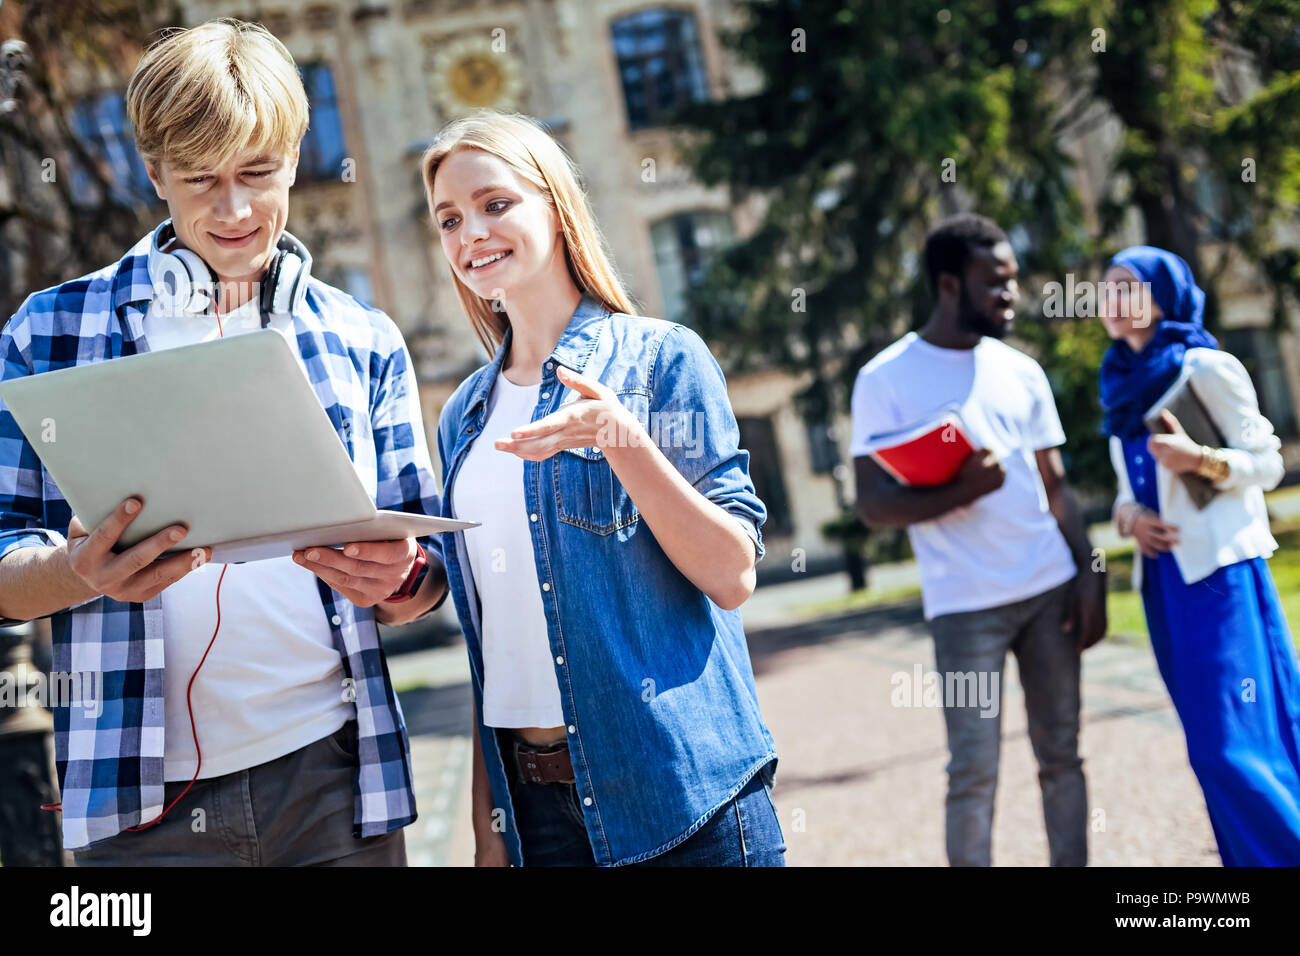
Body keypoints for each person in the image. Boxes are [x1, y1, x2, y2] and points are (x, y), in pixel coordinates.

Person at [0, 19, 448, 865]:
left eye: (259, 173)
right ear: (153, 171)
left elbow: (426, 576)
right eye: (201, 179)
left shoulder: (364, 338)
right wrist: (72, 573)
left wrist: (401, 580)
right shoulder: (48, 331)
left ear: (294, 156)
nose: (235, 210)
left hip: (337, 782)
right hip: (139, 806)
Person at [421, 111, 783, 867]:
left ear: (554, 204)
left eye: (495, 204)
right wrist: (492, 833)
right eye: (449, 218)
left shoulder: (661, 360)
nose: (470, 234)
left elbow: (733, 573)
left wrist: (622, 440)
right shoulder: (462, 415)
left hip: (683, 797)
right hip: (538, 819)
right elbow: (498, 641)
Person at [852, 212, 1106, 867]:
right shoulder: (885, 378)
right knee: (973, 770)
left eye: (1013, 281)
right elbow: (873, 505)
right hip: (964, 608)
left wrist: (1089, 573)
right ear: (949, 285)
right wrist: (961, 492)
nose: (1010, 295)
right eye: (995, 282)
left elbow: (1056, 485)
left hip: (1049, 590)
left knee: (1062, 756)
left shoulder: (1022, 371)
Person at [1098, 245, 1300, 865]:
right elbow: (1127, 491)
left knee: (1229, 745)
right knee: (1206, 746)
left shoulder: (1206, 365)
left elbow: (1268, 462)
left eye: (1126, 286)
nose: (1110, 299)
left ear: (1165, 296)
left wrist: (1203, 461)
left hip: (1221, 578)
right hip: (1163, 582)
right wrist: (1128, 516)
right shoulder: (1116, 382)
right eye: (1104, 288)